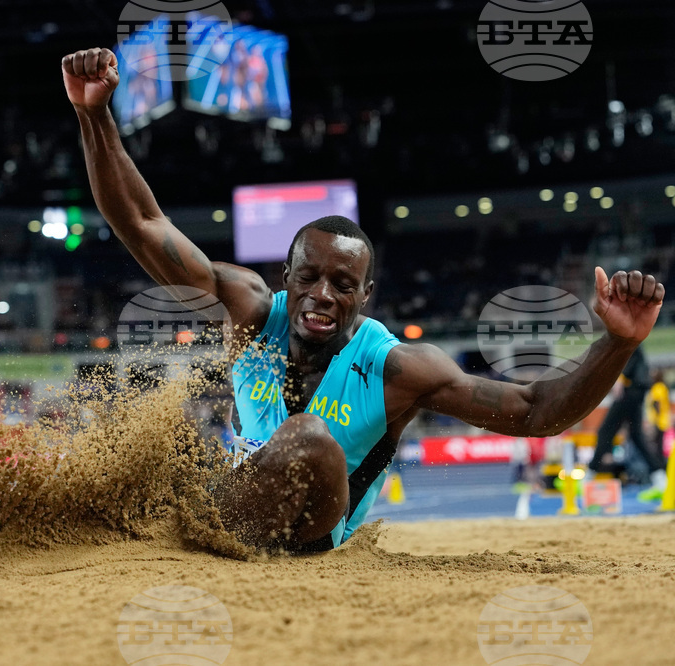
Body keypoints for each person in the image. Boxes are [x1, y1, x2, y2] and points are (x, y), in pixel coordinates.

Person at [61, 47, 666, 552]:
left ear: (366, 296)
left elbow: (535, 411)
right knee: (162, 441)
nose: (322, 295)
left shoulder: (396, 368)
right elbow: (144, 223)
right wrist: (94, 115)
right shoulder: (250, 310)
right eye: (309, 278)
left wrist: (617, 342)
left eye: (344, 285)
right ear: (286, 276)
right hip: (235, 507)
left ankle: (191, 532)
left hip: (309, 537)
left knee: (310, 439)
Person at [588, 345, 667, 491]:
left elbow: (630, 352)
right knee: (636, 435)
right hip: (635, 389)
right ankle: (659, 475)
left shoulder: (628, 340)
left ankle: (589, 474)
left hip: (630, 390)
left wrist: (621, 378)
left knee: (606, 431)